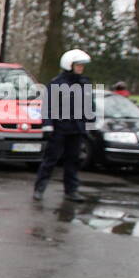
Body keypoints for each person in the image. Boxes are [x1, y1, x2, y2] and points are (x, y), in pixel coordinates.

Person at [33, 48, 95, 203]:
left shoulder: (84, 83)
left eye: (82, 65)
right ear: (69, 65)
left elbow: (89, 106)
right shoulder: (57, 83)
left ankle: (71, 191)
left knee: (73, 161)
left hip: (77, 129)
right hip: (60, 128)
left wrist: (90, 125)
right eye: (78, 65)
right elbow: (48, 106)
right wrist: (47, 126)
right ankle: (39, 189)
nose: (81, 68)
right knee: (50, 160)